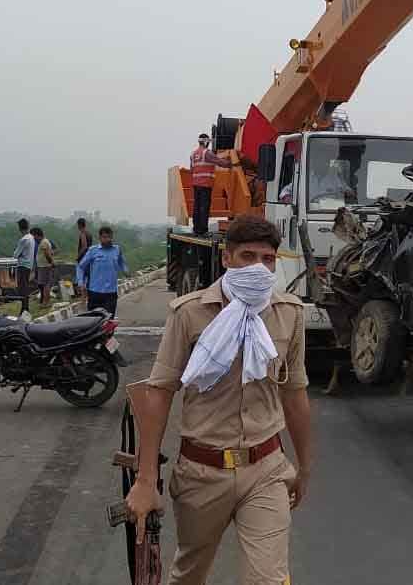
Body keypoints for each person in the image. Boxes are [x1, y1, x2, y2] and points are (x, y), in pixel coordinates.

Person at [126, 215, 312, 585]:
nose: (258, 267)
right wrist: (145, 479)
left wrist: (304, 467)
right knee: (190, 574)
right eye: (247, 256)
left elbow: (295, 395)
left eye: (267, 259)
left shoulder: (288, 314)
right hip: (202, 472)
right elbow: (159, 394)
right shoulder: (189, 313)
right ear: (226, 259)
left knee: (268, 580)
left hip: (266, 469)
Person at [76, 225, 127, 315]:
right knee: (94, 320)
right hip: (95, 292)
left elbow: (122, 262)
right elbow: (80, 267)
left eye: (109, 237)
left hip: (111, 293)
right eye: (105, 237)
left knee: (109, 321)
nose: (107, 239)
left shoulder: (117, 250)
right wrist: (81, 283)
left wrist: (125, 271)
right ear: (99, 238)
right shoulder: (93, 251)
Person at [189, 133, 232, 236]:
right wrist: (231, 163)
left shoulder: (193, 154)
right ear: (205, 142)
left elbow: (192, 169)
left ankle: (196, 230)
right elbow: (219, 162)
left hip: (196, 184)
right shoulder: (206, 153)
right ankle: (203, 230)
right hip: (205, 184)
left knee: (197, 207)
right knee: (204, 207)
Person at [12, 218, 35, 313]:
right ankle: (25, 307)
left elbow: (15, 254)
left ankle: (24, 308)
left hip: (22, 265)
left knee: (22, 288)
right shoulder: (31, 238)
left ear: (20, 228)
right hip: (29, 264)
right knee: (25, 286)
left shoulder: (24, 239)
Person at [32, 227, 55, 306]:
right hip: (43, 266)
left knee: (45, 285)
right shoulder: (43, 242)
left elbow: (47, 254)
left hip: (44, 266)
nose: (34, 238)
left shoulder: (44, 242)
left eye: (34, 236)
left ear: (37, 235)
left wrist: (51, 262)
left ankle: (46, 302)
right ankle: (46, 301)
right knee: (45, 284)